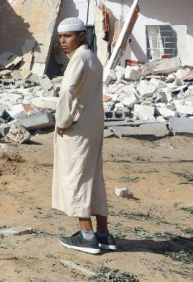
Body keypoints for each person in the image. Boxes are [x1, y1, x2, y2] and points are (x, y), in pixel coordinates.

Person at [52, 16, 116, 255]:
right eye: (60, 37)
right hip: (93, 124)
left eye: (67, 36)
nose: (62, 41)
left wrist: (62, 121)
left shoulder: (79, 59)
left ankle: (87, 235)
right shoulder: (93, 59)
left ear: (81, 36)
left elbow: (67, 90)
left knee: (76, 178)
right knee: (93, 178)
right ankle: (103, 234)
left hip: (77, 127)